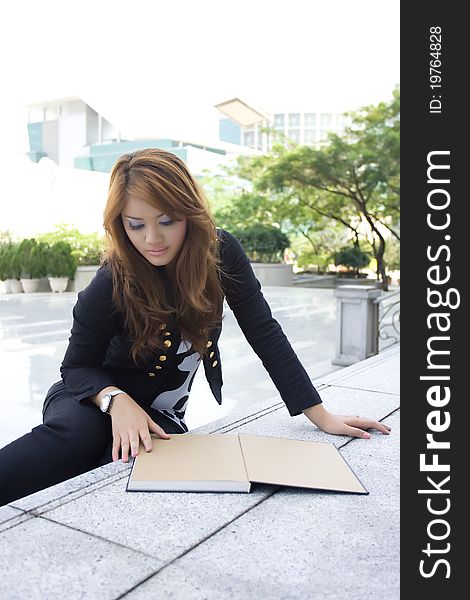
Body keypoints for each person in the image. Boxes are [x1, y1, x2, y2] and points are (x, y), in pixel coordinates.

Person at [0, 148, 391, 507]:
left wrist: (321, 416)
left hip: (160, 415)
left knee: (123, 465)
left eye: (166, 221)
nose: (152, 239)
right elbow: (75, 367)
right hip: (91, 398)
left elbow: (264, 331)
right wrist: (116, 401)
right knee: (80, 436)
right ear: (121, 225)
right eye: (136, 225)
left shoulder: (220, 254)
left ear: (189, 212)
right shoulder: (112, 279)